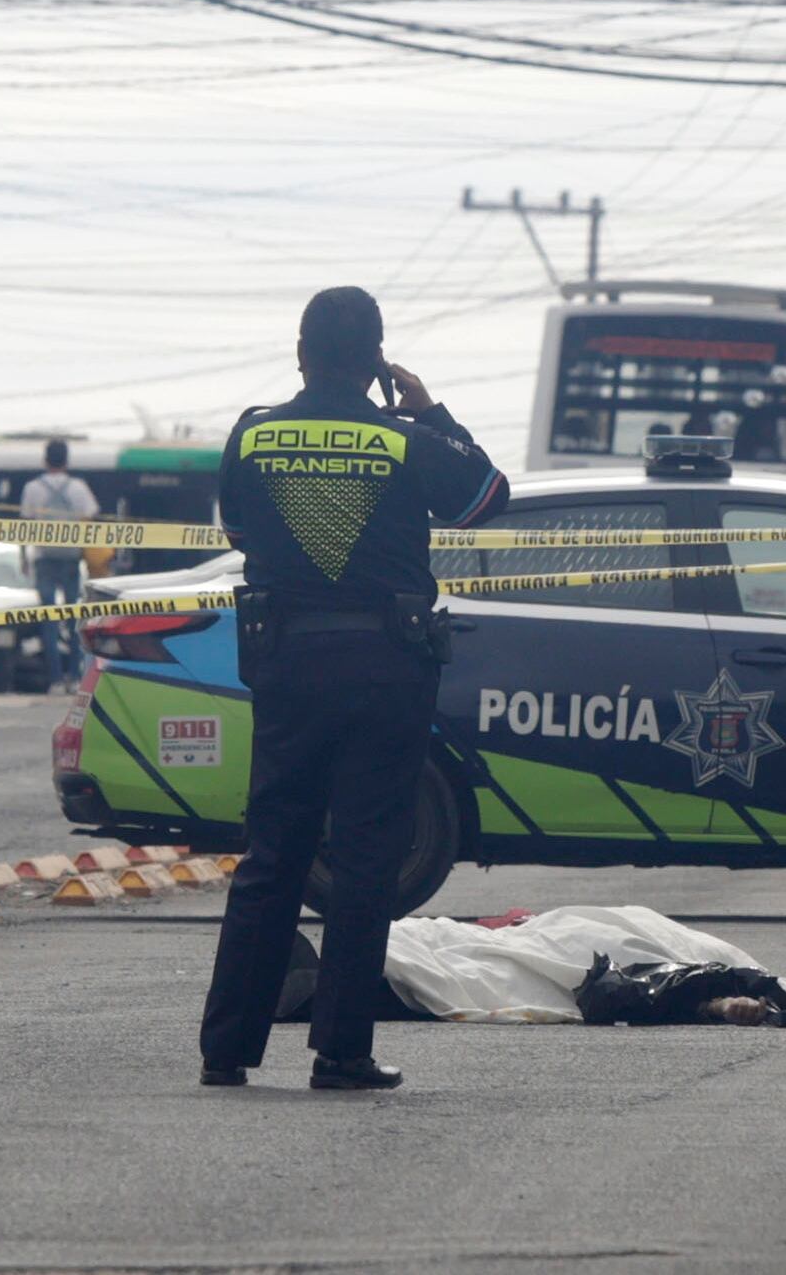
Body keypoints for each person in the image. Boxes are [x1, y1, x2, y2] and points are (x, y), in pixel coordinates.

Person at [199, 286, 507, 1092]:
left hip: (288, 664)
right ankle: (340, 1053)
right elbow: (485, 497)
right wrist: (432, 410)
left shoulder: (254, 433)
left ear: (300, 354)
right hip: (386, 668)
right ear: (377, 362)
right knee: (368, 856)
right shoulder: (406, 439)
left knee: (274, 850)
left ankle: (226, 1049)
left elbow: (237, 529)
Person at [19, 439, 99, 692]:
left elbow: (24, 525)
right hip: (71, 559)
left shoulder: (33, 488)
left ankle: (54, 680)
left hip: (43, 558)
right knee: (74, 619)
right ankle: (75, 678)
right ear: (67, 460)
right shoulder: (78, 488)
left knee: (48, 620)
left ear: (45, 460)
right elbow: (91, 518)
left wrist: (23, 558)